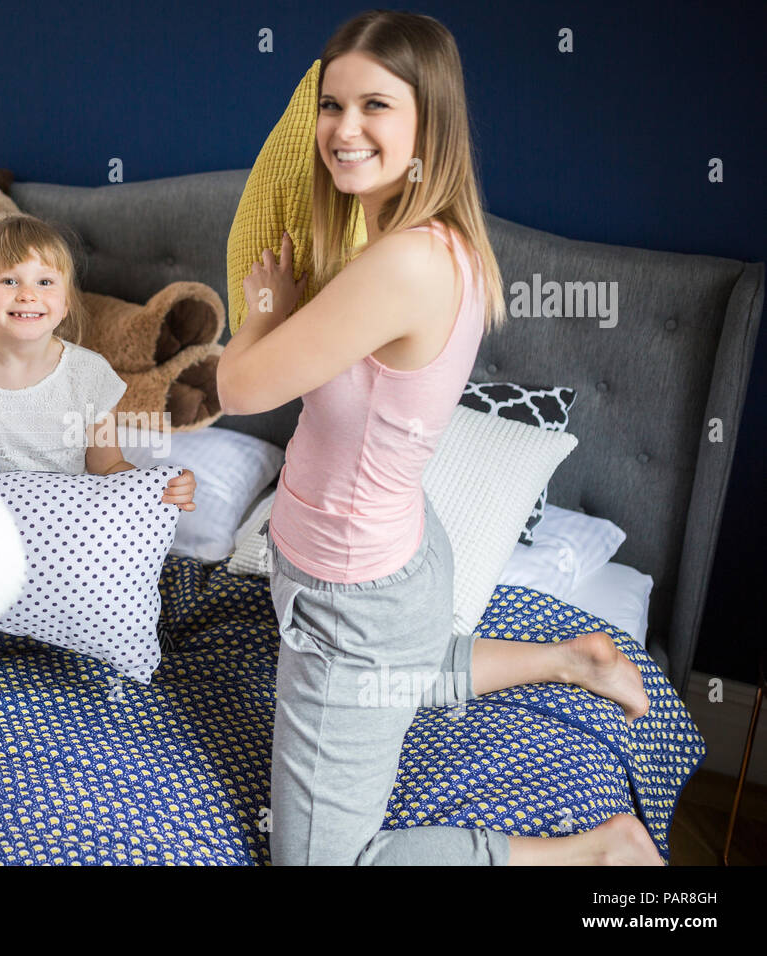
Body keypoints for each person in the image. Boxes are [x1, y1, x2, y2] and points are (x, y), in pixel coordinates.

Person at [217, 10, 661, 866]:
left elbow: (238, 388)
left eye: (375, 106)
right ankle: (573, 661)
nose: (343, 130)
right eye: (331, 104)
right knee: (399, 678)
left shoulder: (404, 264)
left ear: (430, 122)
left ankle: (592, 853)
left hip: (353, 595)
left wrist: (262, 308)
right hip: (391, 564)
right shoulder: (404, 239)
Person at [0, 213, 198, 500]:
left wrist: (160, 485)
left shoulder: (89, 374)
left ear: (65, 304)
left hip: (55, 532)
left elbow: (108, 466)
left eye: (45, 282)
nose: (27, 294)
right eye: (9, 281)